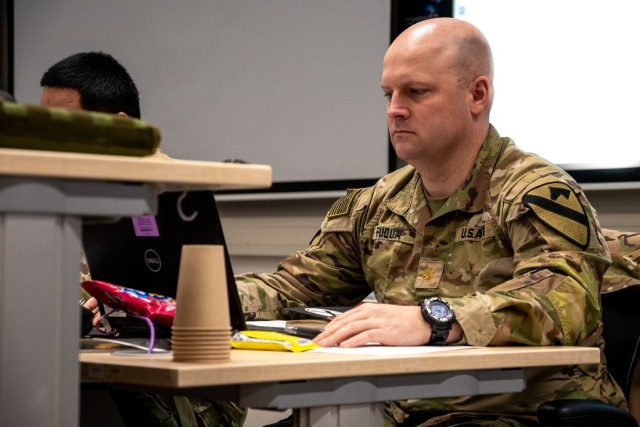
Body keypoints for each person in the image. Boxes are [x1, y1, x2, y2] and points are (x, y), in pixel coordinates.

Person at [235, 17, 627, 426]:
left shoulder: (537, 191)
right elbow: (294, 286)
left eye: (416, 92)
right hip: (401, 408)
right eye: (388, 94)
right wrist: (199, 300)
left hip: (518, 413)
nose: (394, 110)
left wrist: (434, 320)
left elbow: (564, 301)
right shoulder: (378, 203)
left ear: (477, 94)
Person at [40, 51, 246, 427]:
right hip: (106, 361)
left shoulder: (172, 193)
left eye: (63, 126)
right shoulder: (51, 189)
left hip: (185, 390)